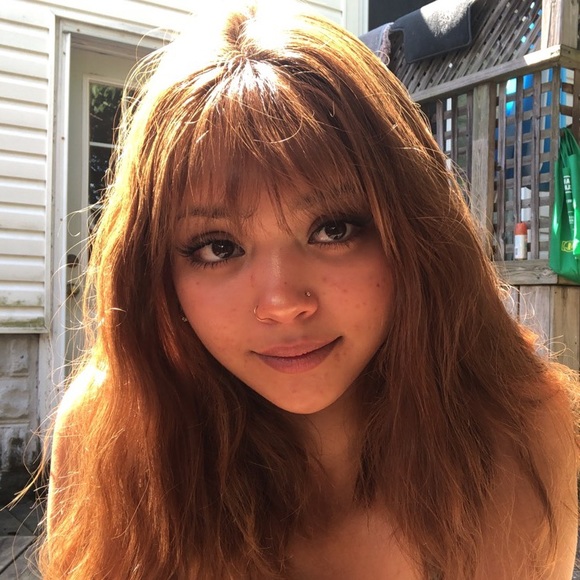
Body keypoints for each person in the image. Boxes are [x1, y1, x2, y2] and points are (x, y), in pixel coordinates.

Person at [41, 1, 579, 578]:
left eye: (333, 230)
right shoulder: (111, 429)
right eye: (217, 247)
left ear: (417, 234)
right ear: (152, 272)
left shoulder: (528, 432)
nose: (282, 302)